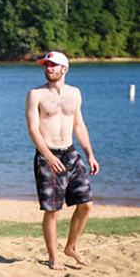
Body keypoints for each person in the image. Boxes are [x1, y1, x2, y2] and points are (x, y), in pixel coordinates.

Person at [25, 51, 100, 271]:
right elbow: (32, 128)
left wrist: (89, 154)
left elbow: (79, 125)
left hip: (71, 153)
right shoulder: (35, 94)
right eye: (46, 65)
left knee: (86, 204)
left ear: (64, 69)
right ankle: (53, 256)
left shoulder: (75, 94)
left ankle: (71, 247)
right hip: (47, 156)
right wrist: (47, 156)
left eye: (53, 65)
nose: (48, 68)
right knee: (52, 210)